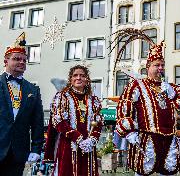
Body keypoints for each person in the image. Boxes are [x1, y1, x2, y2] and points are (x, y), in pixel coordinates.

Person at [112, 28, 180, 175]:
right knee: (143, 172)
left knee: (168, 172)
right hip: (145, 138)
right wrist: (129, 132)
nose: (160, 68)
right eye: (157, 65)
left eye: (162, 65)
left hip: (169, 139)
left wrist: (173, 95)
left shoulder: (173, 87)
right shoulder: (136, 85)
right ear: (148, 67)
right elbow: (124, 109)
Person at [44, 65, 103, 176]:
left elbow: (98, 123)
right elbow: (58, 121)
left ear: (87, 80)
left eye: (82, 75)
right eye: (75, 75)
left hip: (88, 149)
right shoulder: (62, 97)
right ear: (70, 79)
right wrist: (79, 138)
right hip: (68, 146)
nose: (78, 78)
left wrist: (92, 140)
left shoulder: (93, 99)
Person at [0, 32, 44, 175]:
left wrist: (36, 149)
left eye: (24, 60)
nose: (22, 62)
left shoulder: (33, 90)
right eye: (17, 59)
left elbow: (37, 123)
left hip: (19, 153)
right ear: (6, 61)